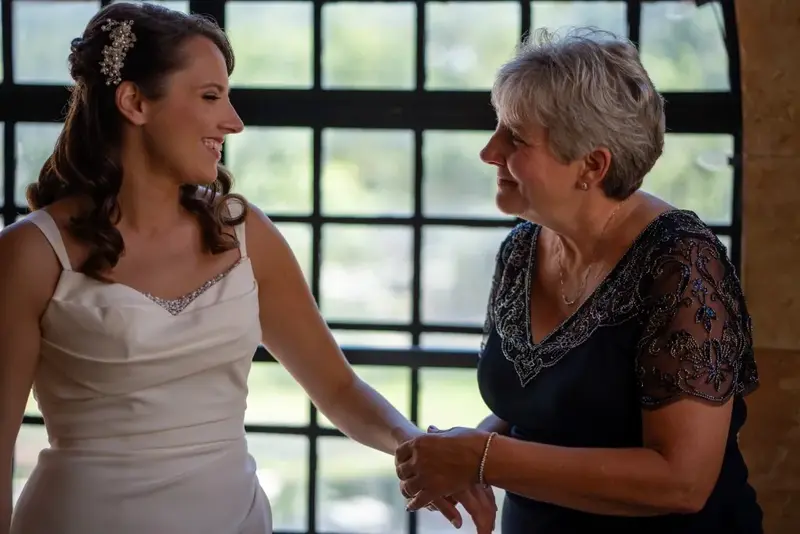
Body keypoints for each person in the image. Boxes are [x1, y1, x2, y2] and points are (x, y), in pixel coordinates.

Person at [0, 3, 495, 534]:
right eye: (211, 96)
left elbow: (339, 389)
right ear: (135, 102)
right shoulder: (31, 253)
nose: (233, 121)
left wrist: (415, 445)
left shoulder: (244, 233)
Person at [393, 27, 763, 534]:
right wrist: (460, 454)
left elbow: (682, 482)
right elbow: (543, 406)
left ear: (592, 165)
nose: (488, 151)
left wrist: (483, 457)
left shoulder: (681, 264)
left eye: (515, 137)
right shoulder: (521, 249)